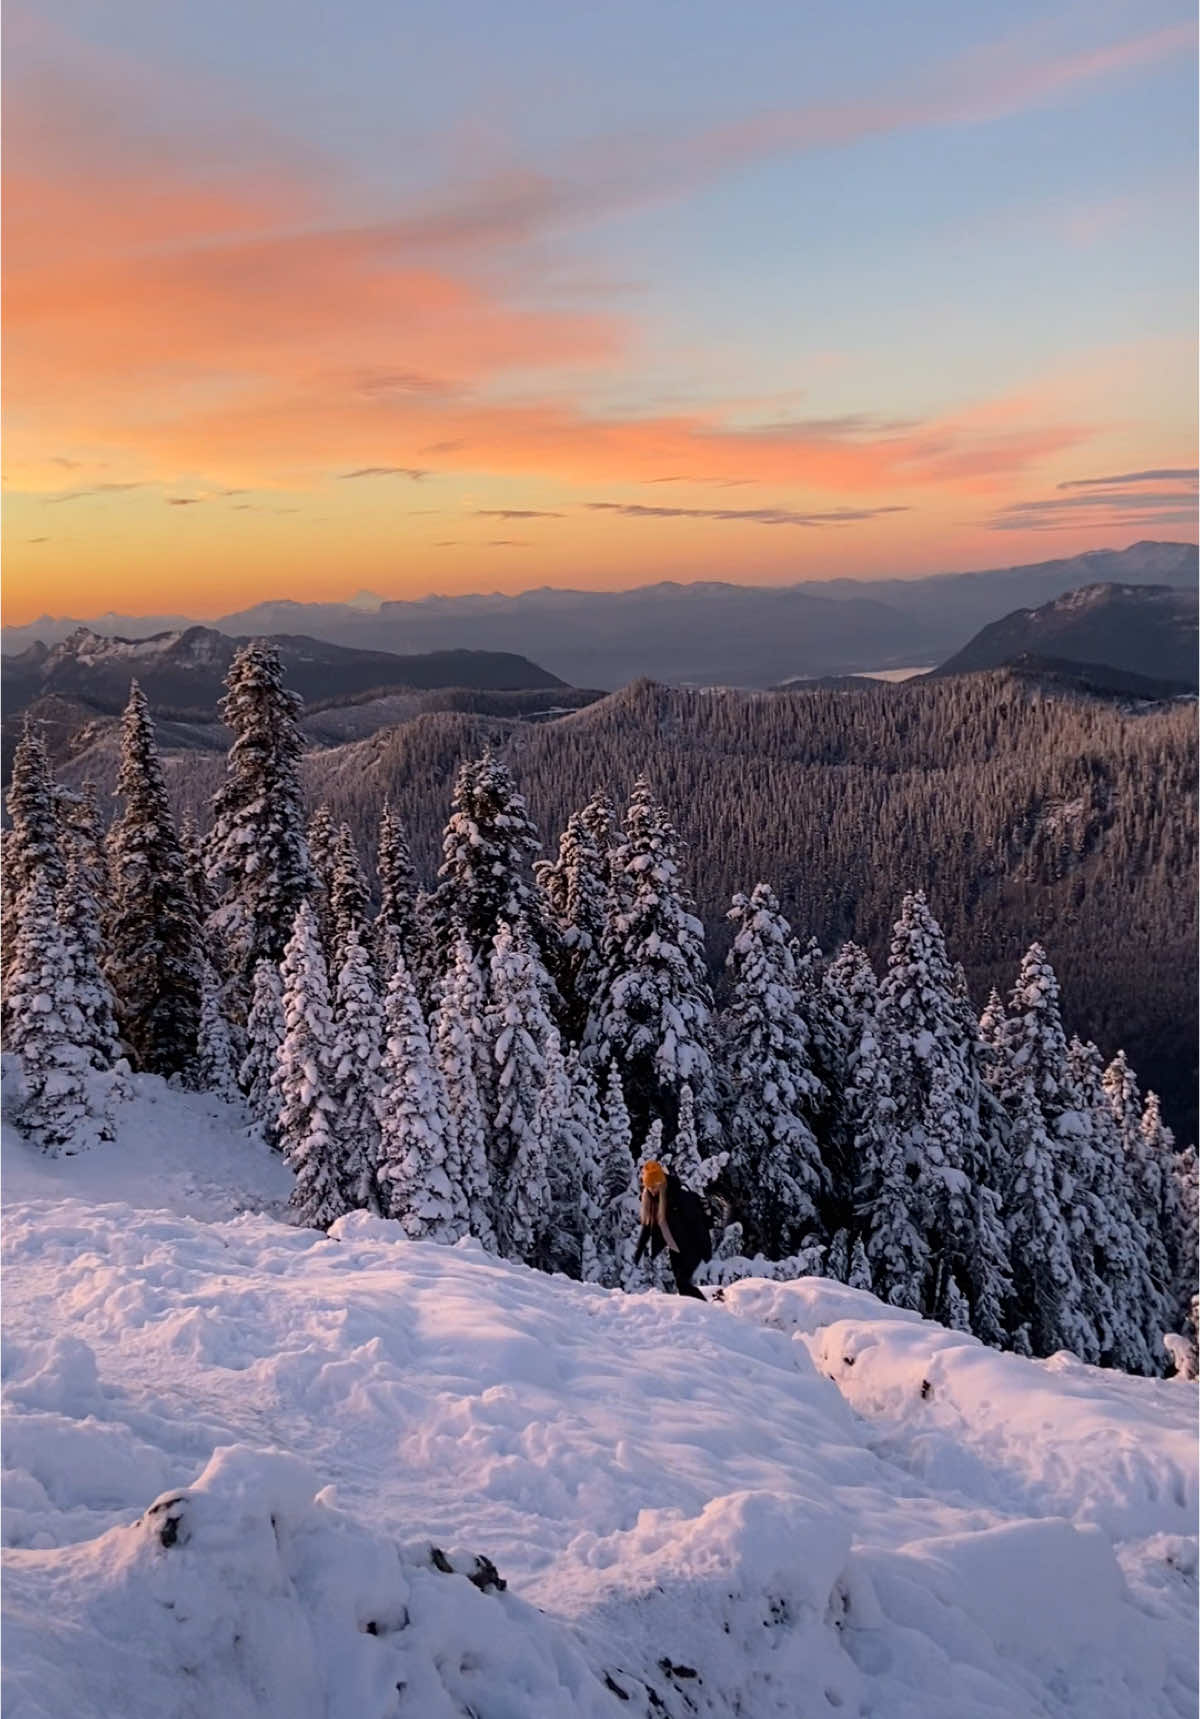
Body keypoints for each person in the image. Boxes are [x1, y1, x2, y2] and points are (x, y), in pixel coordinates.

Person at [633, 1160, 711, 1300]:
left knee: (683, 1283)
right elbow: (647, 1227)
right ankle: (696, 1311)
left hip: (693, 1245)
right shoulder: (650, 1200)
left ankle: (709, 1310)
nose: (652, 1190)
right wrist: (637, 1254)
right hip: (675, 1248)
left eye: (655, 1186)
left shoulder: (680, 1197)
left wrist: (704, 1249)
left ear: (662, 1183)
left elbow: (697, 1224)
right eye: (649, 1186)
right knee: (681, 1285)